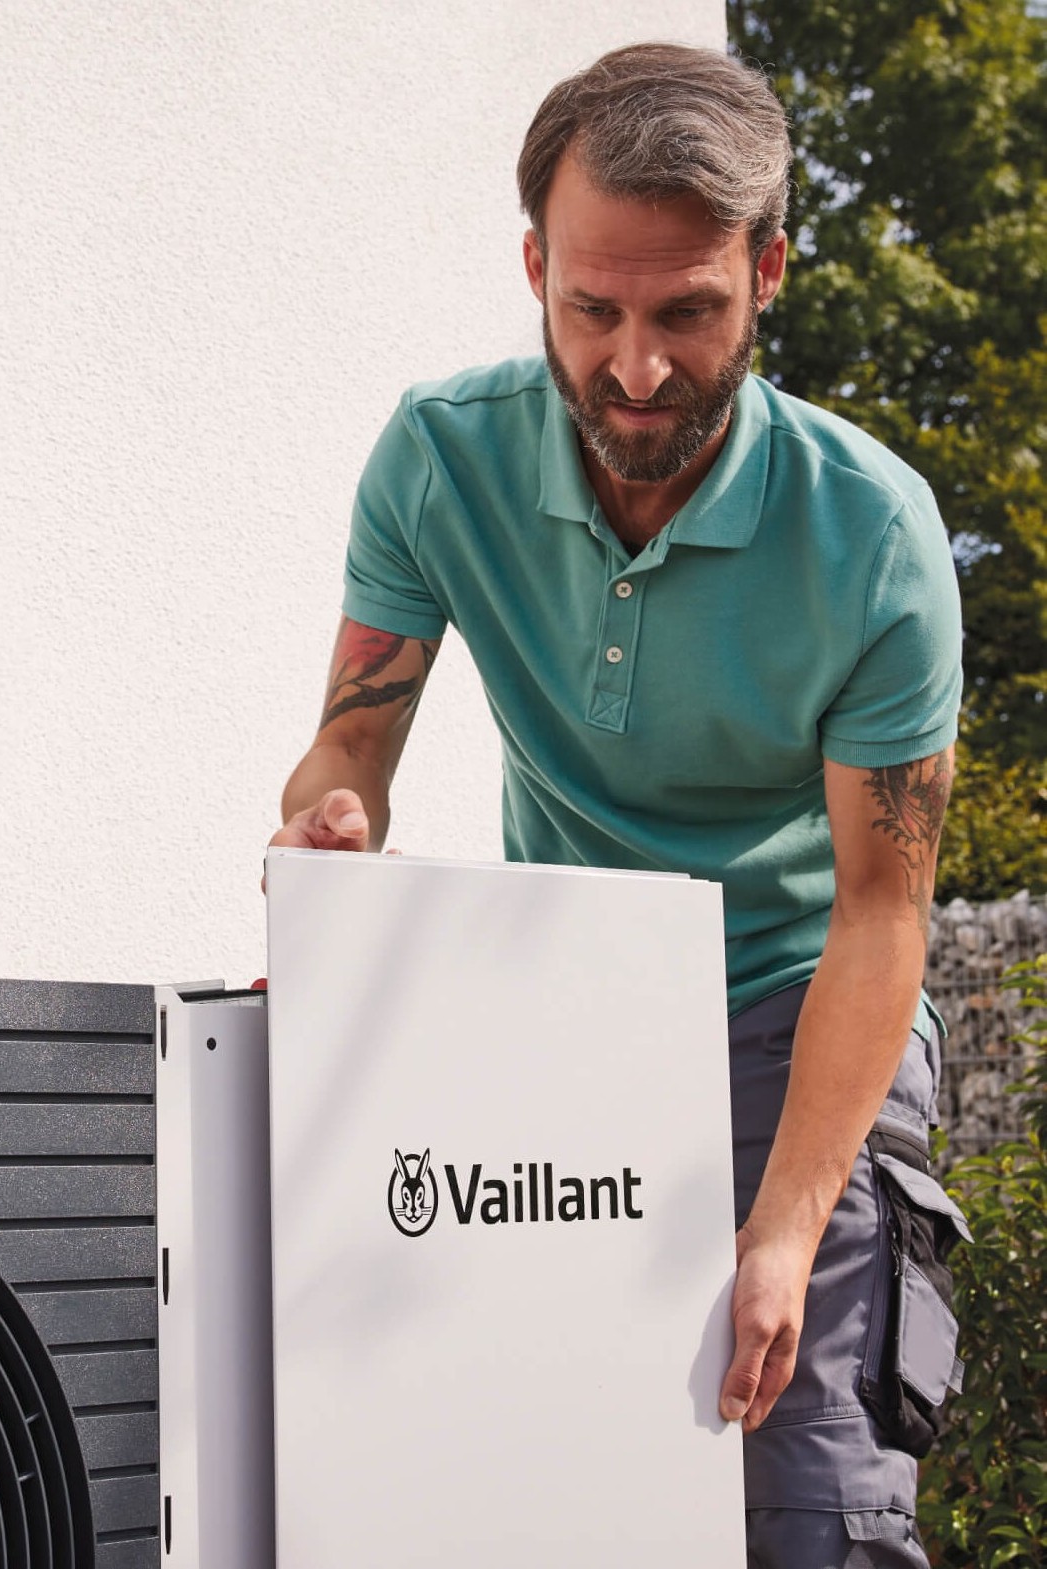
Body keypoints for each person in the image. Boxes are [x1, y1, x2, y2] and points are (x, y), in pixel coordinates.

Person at [271, 42, 967, 1568]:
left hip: (802, 1004)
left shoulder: (874, 539)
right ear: (535, 264)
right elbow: (346, 759)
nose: (636, 368)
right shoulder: (436, 460)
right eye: (592, 309)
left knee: (802, 1490)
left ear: (769, 268)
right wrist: (331, 834)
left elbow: (879, 908)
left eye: (687, 313)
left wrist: (783, 1228)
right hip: (560, 1013)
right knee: (548, 1483)